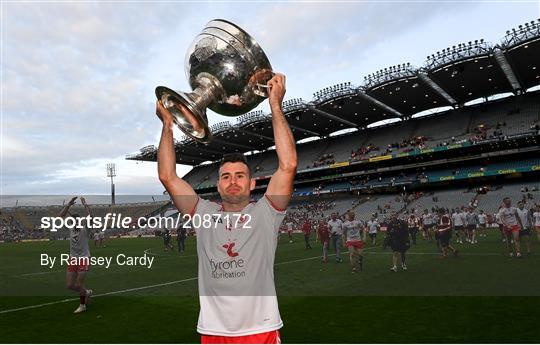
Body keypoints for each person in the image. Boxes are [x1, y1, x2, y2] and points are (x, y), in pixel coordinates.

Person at [157, 73, 296, 343]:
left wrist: (275, 106)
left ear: (252, 183)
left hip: (260, 331)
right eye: (226, 176)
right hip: (213, 332)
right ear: (218, 185)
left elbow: (288, 165)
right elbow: (168, 177)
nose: (233, 181)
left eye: (240, 176)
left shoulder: (266, 213)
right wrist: (167, 125)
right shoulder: (203, 214)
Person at [59, 196, 93, 314]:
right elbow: (60, 217)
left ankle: (82, 305)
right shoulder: (70, 229)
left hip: (84, 258)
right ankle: (86, 292)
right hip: (73, 259)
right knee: (70, 285)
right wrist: (68, 204)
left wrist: (85, 204)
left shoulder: (85, 229)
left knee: (79, 284)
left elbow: (91, 218)